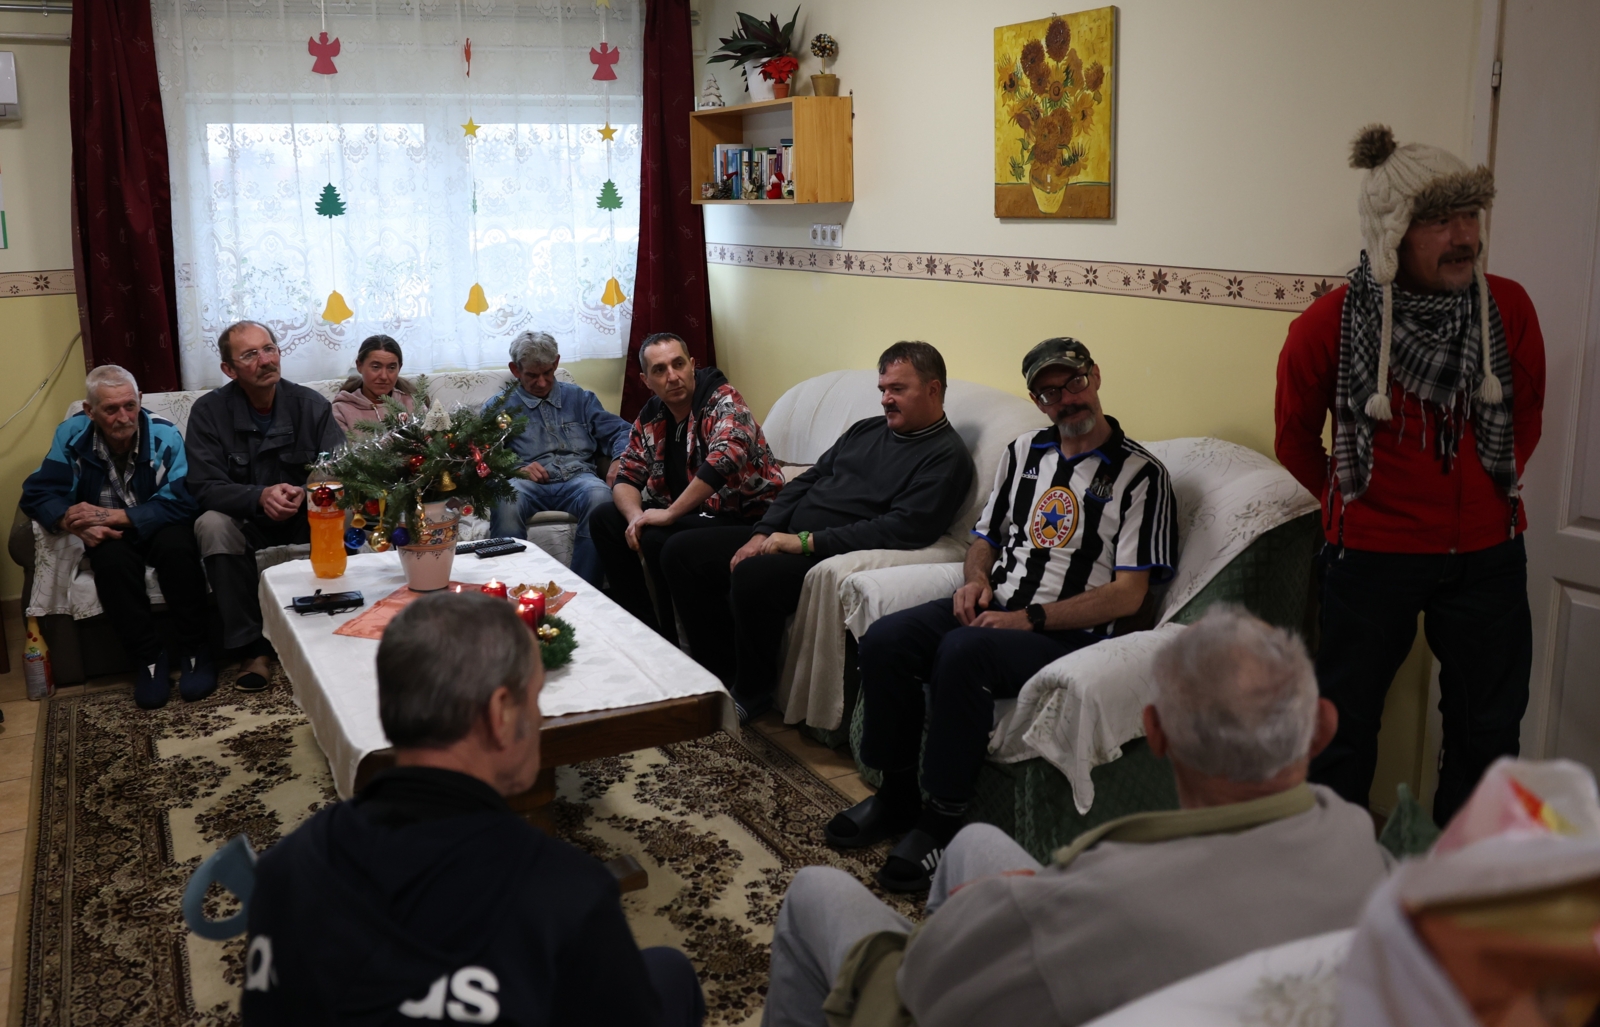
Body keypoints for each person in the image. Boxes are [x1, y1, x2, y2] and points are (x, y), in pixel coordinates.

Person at [764, 606, 1392, 1027]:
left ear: (1156, 732)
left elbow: (925, 986)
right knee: (973, 843)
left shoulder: (1106, 893)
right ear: (1321, 727)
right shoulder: (1372, 856)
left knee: (814, 891)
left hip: (1010, 972)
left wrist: (1011, 913)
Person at [240, 591, 705, 1027]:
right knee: (672, 971)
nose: (539, 717)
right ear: (501, 714)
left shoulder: (282, 870)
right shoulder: (566, 895)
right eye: (534, 699)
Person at [828, 337, 1178, 892]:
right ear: (1038, 400)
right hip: (999, 606)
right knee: (886, 639)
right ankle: (896, 795)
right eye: (1049, 392)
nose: (1066, 399)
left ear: (1095, 377)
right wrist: (974, 581)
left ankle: (943, 820)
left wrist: (1029, 620)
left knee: (963, 652)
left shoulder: (1141, 476)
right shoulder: (1024, 454)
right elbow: (985, 538)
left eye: (1073, 382)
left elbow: (1130, 594)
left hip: (1068, 633)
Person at [1275, 125, 1546, 825]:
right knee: (1342, 731)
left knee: (1489, 736)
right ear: (1390, 230)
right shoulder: (1327, 326)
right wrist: (1356, 504)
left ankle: (1461, 874)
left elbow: (1526, 414)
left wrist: (1486, 497)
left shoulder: (1508, 308)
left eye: (1470, 214)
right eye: (1437, 220)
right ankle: (1337, 867)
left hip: (1489, 555)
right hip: (1370, 558)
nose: (1464, 236)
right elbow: (1295, 440)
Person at [660, 342, 976, 725]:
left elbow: (902, 529)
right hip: (785, 534)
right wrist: (763, 533)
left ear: (933, 389)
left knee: (752, 575)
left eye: (897, 389)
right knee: (681, 551)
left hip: (827, 552)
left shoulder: (946, 456)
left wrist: (803, 543)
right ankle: (717, 673)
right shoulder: (867, 429)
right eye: (882, 389)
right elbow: (807, 480)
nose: (885, 400)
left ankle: (752, 692)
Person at [20, 365, 215, 708]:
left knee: (177, 549)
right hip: (108, 535)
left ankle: (196, 651)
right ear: (90, 410)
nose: (123, 417)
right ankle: (149, 659)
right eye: (110, 409)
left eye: (129, 405)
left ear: (139, 400)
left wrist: (115, 515)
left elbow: (185, 501)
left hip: (159, 523)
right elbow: (38, 493)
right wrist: (70, 521)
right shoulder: (71, 435)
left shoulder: (164, 435)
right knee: (111, 563)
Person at [591, 332, 786, 639]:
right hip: (695, 515)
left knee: (658, 537)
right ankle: (643, 630)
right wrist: (634, 518)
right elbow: (627, 474)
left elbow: (725, 459)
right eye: (659, 370)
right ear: (645, 380)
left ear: (692, 364)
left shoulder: (724, 401)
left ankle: (678, 643)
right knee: (604, 518)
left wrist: (669, 515)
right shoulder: (652, 415)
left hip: (745, 517)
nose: (672, 376)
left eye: (678, 364)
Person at [187, 320, 346, 693]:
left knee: (344, 510)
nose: (265, 360)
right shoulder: (209, 412)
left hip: (305, 515)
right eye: (250, 355)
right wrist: (259, 496)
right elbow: (204, 486)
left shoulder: (311, 406)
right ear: (229, 369)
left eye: (269, 349)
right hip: (247, 522)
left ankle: (333, 626)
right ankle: (253, 650)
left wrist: (306, 494)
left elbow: (341, 472)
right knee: (211, 525)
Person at [484, 331, 632, 587]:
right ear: (515, 370)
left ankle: (583, 590)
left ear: (556, 363)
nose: (542, 382)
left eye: (548, 373)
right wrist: (516, 468)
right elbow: (483, 456)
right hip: (526, 484)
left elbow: (623, 431)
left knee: (601, 498)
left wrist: (619, 458)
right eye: (532, 375)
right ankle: (513, 590)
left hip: (579, 479)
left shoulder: (581, 399)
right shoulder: (499, 407)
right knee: (507, 501)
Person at [332, 334, 416, 433]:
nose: (384, 376)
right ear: (359, 366)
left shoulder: (413, 404)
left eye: (391, 368)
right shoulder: (341, 410)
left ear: (399, 368)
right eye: (376, 367)